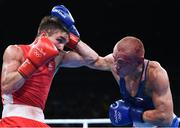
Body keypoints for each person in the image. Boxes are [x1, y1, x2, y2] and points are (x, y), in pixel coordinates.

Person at [0, 5, 98, 127]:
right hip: (14, 121)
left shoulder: (56, 59)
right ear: (43, 35)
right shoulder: (16, 50)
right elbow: (7, 87)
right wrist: (33, 62)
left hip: (40, 122)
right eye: (60, 40)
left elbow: (92, 58)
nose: (62, 47)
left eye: (65, 43)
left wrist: (72, 38)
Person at [88, 36, 179, 127]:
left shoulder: (155, 74)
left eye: (121, 62)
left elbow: (166, 118)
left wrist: (132, 113)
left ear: (138, 62)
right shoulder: (117, 65)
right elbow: (91, 60)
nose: (115, 66)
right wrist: (75, 41)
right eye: (115, 59)